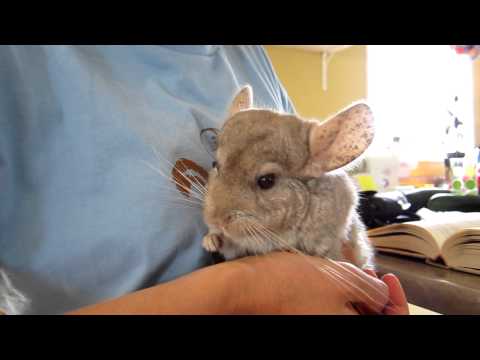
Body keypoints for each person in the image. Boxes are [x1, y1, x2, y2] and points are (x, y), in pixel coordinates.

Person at [0, 45, 409, 315]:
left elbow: (315, 205)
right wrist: (248, 290)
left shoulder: (249, 54)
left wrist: (357, 286)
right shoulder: (21, 64)